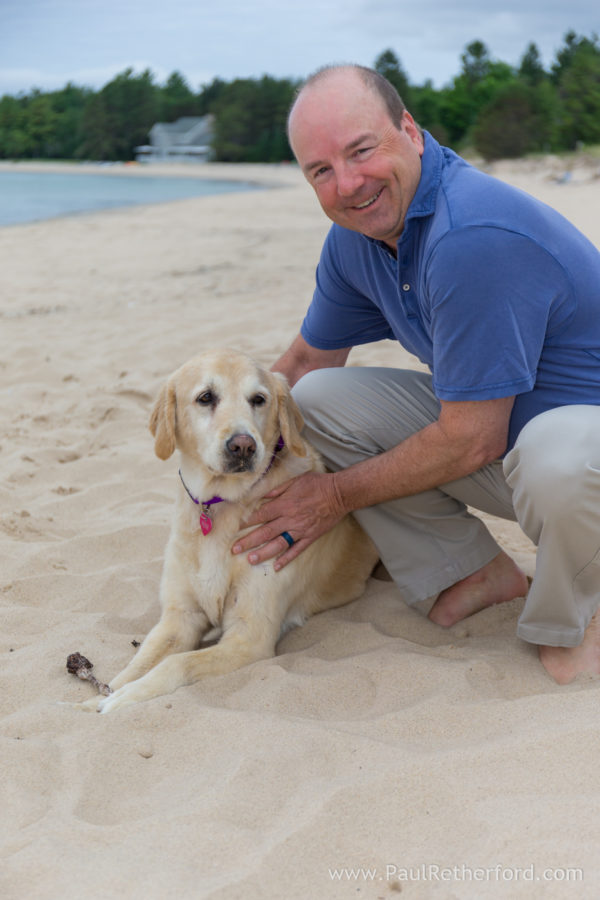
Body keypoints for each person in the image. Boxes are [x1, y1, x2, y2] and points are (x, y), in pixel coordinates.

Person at [232, 63, 600, 684]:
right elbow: (300, 367)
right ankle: (470, 572)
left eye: (361, 150)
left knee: (555, 455)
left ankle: (579, 615)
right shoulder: (358, 236)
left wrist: (334, 497)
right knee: (311, 402)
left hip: (570, 456)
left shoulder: (470, 234)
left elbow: (472, 438)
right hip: (509, 440)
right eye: (321, 170)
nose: (348, 184)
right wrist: (219, 463)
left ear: (408, 128)